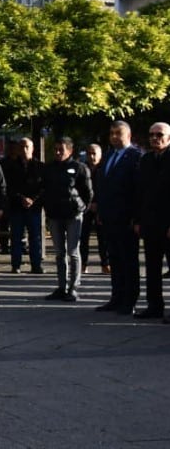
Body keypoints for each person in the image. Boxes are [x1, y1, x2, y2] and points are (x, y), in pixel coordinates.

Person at [95, 121, 141, 315]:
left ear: (128, 135)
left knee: (128, 260)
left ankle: (129, 300)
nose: (114, 136)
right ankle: (116, 297)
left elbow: (138, 190)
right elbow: (103, 185)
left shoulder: (136, 157)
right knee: (114, 258)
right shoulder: (108, 156)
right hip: (109, 217)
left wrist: (136, 217)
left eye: (118, 133)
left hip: (126, 218)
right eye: (111, 133)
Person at [41, 137, 92, 302]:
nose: (57, 152)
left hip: (73, 215)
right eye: (55, 149)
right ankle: (61, 287)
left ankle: (73, 287)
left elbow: (88, 192)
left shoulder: (79, 168)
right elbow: (44, 189)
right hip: (55, 215)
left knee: (73, 251)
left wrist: (81, 207)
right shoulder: (49, 168)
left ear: (70, 151)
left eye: (61, 150)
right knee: (59, 253)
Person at [133, 122, 170, 319]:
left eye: (159, 134)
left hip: (167, 222)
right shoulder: (146, 159)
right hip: (150, 222)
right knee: (152, 267)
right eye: (151, 134)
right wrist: (138, 220)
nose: (155, 138)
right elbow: (140, 192)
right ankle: (154, 306)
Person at [2, 137, 44, 273]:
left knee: (35, 237)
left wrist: (33, 199)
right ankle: (16, 264)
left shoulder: (40, 166)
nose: (24, 150)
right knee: (16, 236)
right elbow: (9, 186)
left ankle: (36, 265)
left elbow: (43, 187)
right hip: (17, 206)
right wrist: (21, 198)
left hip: (34, 207)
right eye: (21, 147)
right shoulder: (11, 167)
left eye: (27, 147)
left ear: (32, 149)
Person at [80, 142, 108, 274]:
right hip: (85, 207)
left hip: (101, 206)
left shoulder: (105, 169)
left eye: (94, 153)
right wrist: (87, 204)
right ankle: (83, 264)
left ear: (100, 155)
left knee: (103, 237)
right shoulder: (82, 168)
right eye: (89, 153)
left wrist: (100, 205)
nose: (91, 156)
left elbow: (107, 189)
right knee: (83, 237)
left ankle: (105, 264)